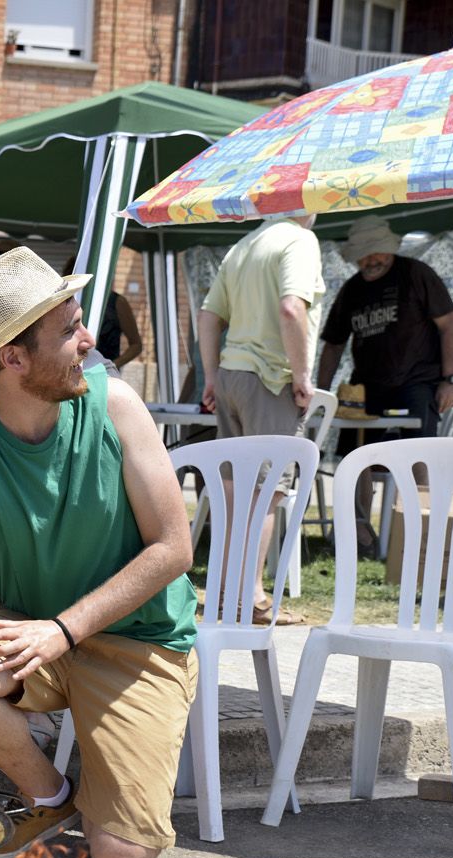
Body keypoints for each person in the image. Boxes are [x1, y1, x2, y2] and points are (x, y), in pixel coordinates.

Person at [0, 248, 198, 858]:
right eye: (69, 330)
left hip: (136, 639)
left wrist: (64, 630)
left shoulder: (117, 406)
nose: (88, 340)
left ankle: (102, 797)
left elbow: (173, 548)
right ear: (14, 358)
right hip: (29, 630)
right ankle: (50, 798)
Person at [197, 215, 322, 622]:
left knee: (232, 493)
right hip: (270, 378)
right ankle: (250, 597)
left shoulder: (244, 244)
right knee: (266, 494)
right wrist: (302, 375)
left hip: (232, 375)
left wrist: (212, 376)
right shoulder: (300, 240)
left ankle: (222, 592)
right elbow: (291, 309)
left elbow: (208, 315)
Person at [315, 216, 453, 554]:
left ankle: (417, 538)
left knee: (419, 456)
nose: (371, 260)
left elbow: (449, 324)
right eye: (364, 255)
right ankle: (359, 536)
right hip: (366, 388)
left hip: (417, 382)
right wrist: (321, 394)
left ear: (390, 249)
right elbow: (334, 343)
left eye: (376, 253)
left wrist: (451, 379)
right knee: (355, 458)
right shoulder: (353, 288)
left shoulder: (416, 274)